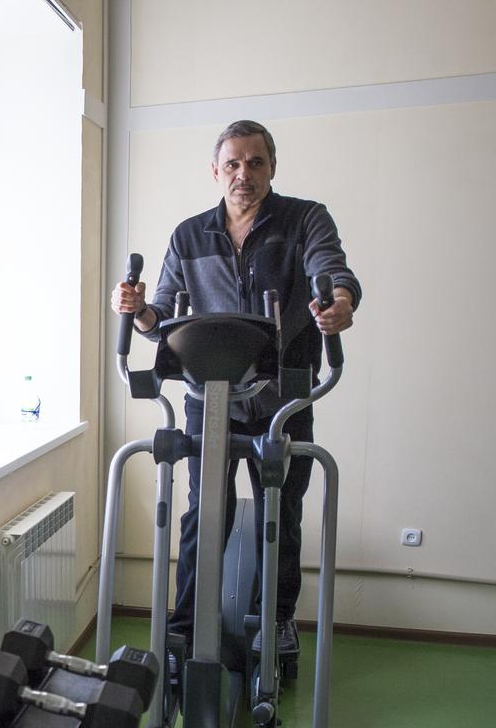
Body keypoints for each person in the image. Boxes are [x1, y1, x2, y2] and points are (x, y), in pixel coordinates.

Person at [111, 119, 360, 669]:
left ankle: (275, 620)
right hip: (210, 395)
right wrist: (139, 310)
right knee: (205, 511)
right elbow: (162, 317)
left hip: (283, 397)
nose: (243, 174)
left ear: (272, 166)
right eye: (233, 163)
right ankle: (184, 629)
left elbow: (332, 270)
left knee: (282, 511)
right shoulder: (189, 235)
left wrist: (338, 301)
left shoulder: (304, 220)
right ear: (216, 170)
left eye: (255, 162)